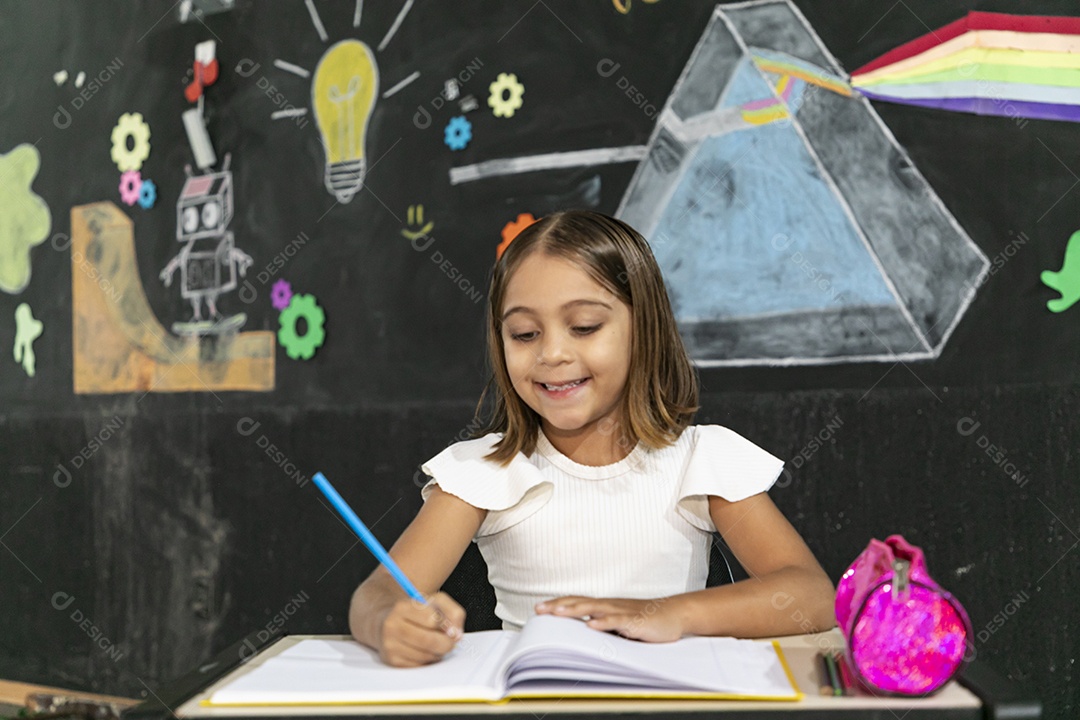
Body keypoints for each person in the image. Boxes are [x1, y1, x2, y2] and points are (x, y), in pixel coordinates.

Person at [349, 210, 835, 667]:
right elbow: (375, 596)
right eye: (523, 334)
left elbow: (811, 595)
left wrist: (668, 612)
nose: (553, 353)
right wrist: (390, 621)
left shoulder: (700, 459)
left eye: (584, 327)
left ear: (643, 330)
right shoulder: (483, 471)